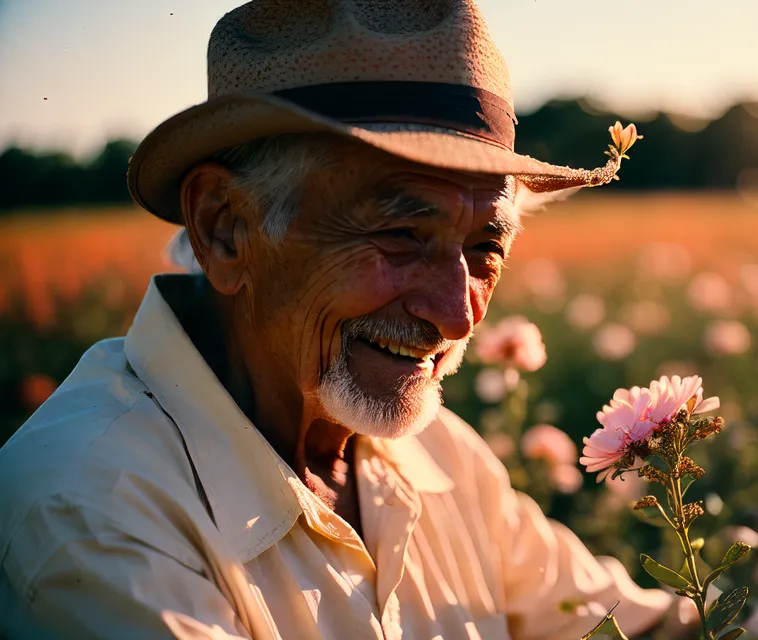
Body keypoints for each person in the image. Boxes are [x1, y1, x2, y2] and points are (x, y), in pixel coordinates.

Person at [0, 1, 687, 638]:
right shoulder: (93, 508)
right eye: (400, 234)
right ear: (225, 229)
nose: (456, 316)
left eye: (486, 248)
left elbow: (633, 625)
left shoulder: (441, 455)